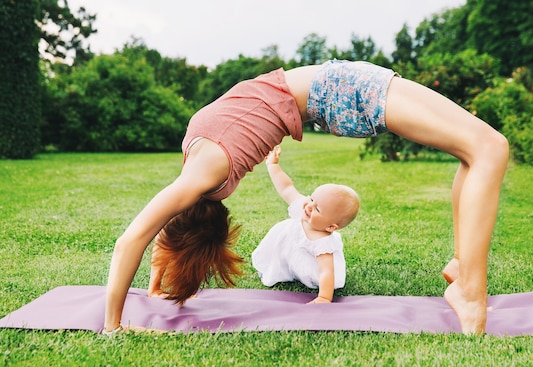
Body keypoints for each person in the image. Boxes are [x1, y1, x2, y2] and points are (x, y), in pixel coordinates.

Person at [103, 59, 508, 336]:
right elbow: (143, 240)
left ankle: (462, 268)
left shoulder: (198, 175)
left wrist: (138, 303)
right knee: (489, 148)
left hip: (336, 87)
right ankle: (470, 291)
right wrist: (129, 311)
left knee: (475, 150)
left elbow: (152, 236)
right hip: (338, 88)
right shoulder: (199, 164)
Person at [252, 145, 359, 303]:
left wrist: (324, 297)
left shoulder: (323, 242)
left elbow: (326, 271)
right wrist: (273, 165)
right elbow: (286, 188)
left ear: (331, 227)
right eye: (312, 198)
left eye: (317, 208)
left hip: (311, 270)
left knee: (317, 272)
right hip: (289, 253)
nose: (308, 206)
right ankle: (279, 270)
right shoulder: (303, 207)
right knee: (279, 258)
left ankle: (303, 279)